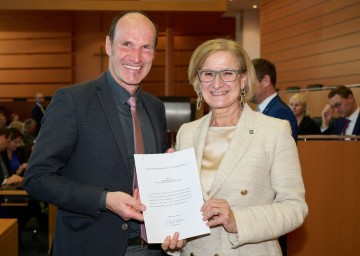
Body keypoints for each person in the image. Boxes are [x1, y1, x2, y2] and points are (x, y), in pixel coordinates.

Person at [24, 11, 169, 256]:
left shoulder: (155, 107)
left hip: (152, 248)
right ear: (108, 45)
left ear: (154, 53)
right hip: (89, 246)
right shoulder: (72, 101)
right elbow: (37, 178)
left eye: (146, 47)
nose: (136, 56)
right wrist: (104, 199)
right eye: (127, 44)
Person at [162, 39, 308, 255]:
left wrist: (237, 220)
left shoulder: (274, 131)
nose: (217, 83)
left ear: (243, 79)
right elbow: (183, 207)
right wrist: (174, 235)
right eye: (208, 74)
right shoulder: (187, 133)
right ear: (198, 81)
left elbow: (294, 208)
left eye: (227, 73)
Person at [251, 58, 298, 141]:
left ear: (266, 81)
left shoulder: (281, 113)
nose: (245, 87)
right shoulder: (262, 109)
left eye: (250, 82)